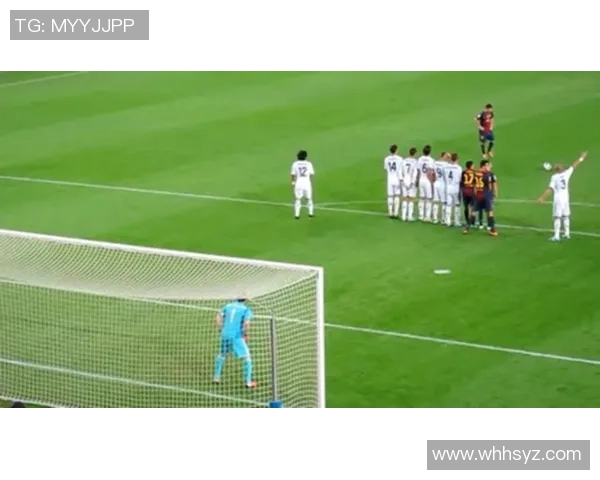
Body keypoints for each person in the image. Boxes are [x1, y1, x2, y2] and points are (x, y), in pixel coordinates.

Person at [538, 152, 588, 241]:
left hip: (558, 199)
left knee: (557, 217)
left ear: (556, 170)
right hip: (566, 198)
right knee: (566, 216)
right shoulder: (566, 174)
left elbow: (550, 189)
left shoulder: (554, 177)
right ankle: (567, 234)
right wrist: (582, 157)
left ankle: (556, 236)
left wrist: (542, 198)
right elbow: (574, 165)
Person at [213, 297, 257, 388]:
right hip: (236, 336)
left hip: (225, 334)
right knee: (247, 357)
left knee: (222, 354)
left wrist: (220, 328)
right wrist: (245, 334)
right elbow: (246, 323)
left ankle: (216, 377)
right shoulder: (246, 309)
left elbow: (218, 316)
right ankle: (248, 382)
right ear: (245, 299)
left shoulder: (228, 306)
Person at [290, 150, 315, 219]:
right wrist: (311, 182)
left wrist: (293, 182)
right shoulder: (309, 164)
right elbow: (311, 174)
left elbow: (293, 174)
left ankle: (297, 215)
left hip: (298, 183)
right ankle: (311, 213)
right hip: (307, 183)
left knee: (298, 199)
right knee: (309, 198)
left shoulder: (295, 164)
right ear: (305, 156)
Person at [443, 153, 463, 227]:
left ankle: (447, 221)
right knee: (457, 204)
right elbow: (460, 179)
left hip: (448, 187)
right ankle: (457, 221)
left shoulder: (446, 167)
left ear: (451, 159)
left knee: (448, 204)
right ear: (457, 159)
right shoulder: (459, 168)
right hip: (456, 188)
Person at [416, 145, 435, 221]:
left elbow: (418, 171)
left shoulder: (420, 159)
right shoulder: (431, 160)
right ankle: (427, 216)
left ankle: (421, 216)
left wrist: (417, 180)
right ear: (430, 152)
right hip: (427, 181)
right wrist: (432, 183)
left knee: (421, 198)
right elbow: (430, 173)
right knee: (429, 199)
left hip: (421, 179)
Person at [383, 144, 403, 218]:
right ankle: (396, 213)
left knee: (390, 196)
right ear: (396, 150)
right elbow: (401, 170)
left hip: (390, 179)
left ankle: (390, 212)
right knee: (397, 195)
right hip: (397, 179)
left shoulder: (386, 159)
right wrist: (401, 179)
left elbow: (385, 169)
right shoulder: (400, 159)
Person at [401, 147, 419, 221]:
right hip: (411, 180)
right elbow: (415, 173)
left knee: (405, 198)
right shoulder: (415, 162)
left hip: (404, 180)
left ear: (409, 153)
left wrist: (402, 180)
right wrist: (413, 182)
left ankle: (403, 216)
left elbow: (400, 171)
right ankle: (409, 216)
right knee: (411, 199)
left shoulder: (404, 161)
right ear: (415, 154)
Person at [432, 152, 451, 224]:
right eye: (446, 156)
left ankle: (435, 219)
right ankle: (443, 219)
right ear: (443, 156)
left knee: (436, 201)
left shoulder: (435, 163)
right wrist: (450, 158)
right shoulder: (446, 164)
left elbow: (433, 173)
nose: (447, 157)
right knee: (443, 202)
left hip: (436, 183)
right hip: (442, 184)